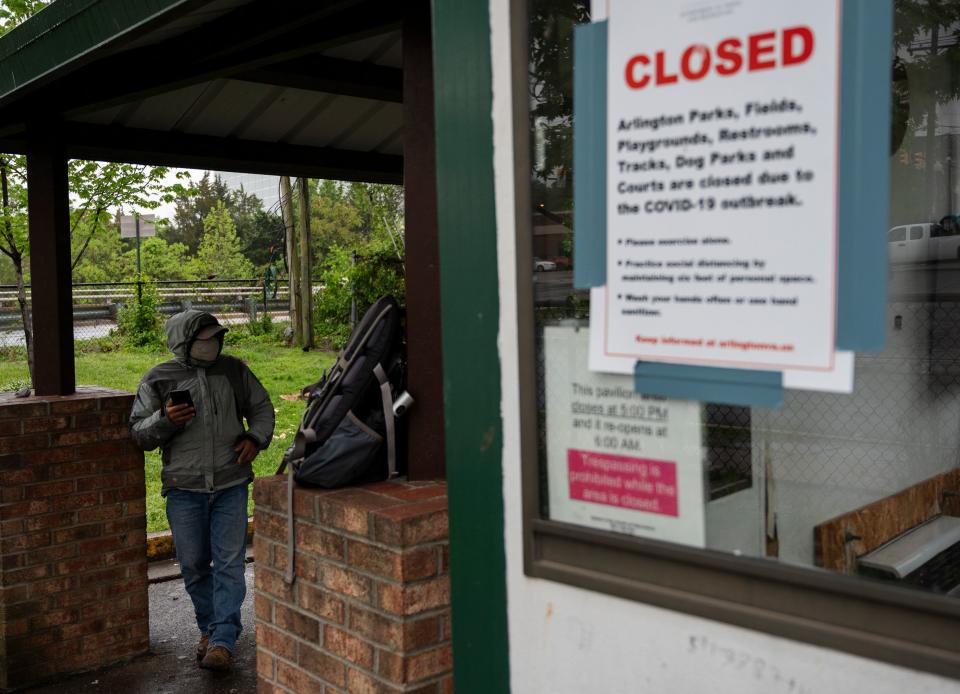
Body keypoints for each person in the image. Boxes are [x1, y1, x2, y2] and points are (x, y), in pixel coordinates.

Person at [129, 310, 275, 671]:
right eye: (204, 338)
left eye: (216, 337)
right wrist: (165, 420)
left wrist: (256, 438)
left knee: (229, 563)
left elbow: (261, 408)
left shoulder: (234, 371)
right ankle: (209, 629)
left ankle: (223, 639)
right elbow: (139, 433)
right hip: (183, 488)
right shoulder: (158, 379)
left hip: (231, 483)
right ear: (184, 342)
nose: (213, 344)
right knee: (194, 564)